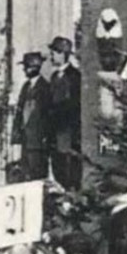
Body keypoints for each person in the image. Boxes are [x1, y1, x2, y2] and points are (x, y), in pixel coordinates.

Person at [45, 36, 82, 188]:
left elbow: (73, 105)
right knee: (57, 167)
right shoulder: (54, 76)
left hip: (67, 131)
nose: (51, 56)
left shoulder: (74, 76)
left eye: (54, 52)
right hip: (54, 131)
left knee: (68, 169)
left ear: (63, 53)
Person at [12, 52, 50, 181]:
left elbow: (46, 115)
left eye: (26, 67)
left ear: (35, 67)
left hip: (38, 140)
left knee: (37, 174)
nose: (24, 70)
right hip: (26, 139)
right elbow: (20, 110)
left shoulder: (44, 87)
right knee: (26, 172)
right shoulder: (26, 86)